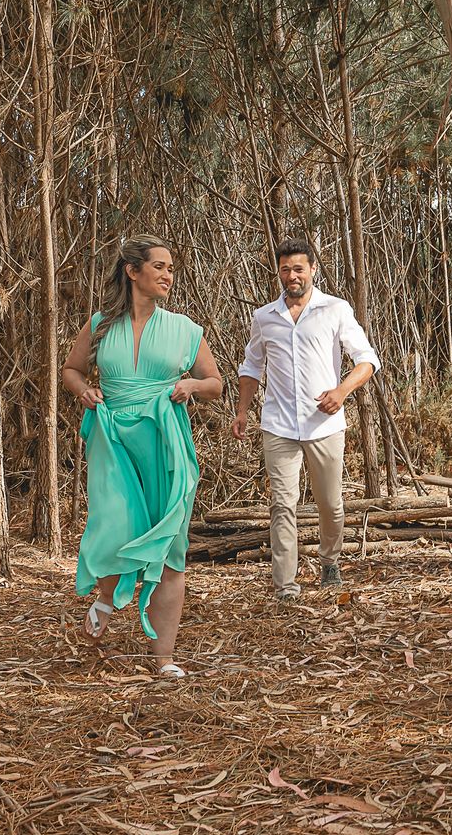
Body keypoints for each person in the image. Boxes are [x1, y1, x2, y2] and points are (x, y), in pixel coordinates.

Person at [62, 235, 223, 676]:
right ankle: (107, 598)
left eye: (171, 268)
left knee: (170, 544)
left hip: (165, 443)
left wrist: (191, 385)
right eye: (159, 266)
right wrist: (84, 390)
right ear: (133, 272)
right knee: (115, 526)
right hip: (113, 441)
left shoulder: (186, 329)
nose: (168, 275)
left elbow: (215, 384)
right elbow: (71, 369)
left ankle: (165, 659)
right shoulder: (99, 324)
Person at [232, 238, 380, 600]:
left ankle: (330, 560)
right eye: (285, 269)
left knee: (331, 504)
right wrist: (241, 411)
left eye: (299, 268)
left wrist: (341, 391)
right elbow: (252, 366)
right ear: (279, 273)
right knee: (282, 504)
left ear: (313, 268)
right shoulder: (264, 317)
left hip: (324, 425)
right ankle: (286, 585)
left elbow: (367, 360)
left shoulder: (335, 309)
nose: (292, 275)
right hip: (278, 425)